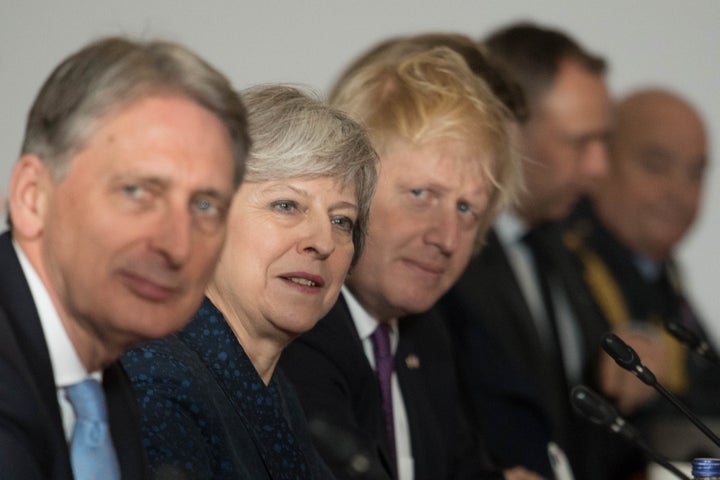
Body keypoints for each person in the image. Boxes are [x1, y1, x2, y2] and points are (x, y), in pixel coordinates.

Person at [0, 36, 248, 480]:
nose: (177, 246)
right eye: (137, 192)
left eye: (205, 206)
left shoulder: (106, 384)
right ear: (32, 198)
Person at [281, 46, 524, 480]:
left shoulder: (424, 335)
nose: (446, 238)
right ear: (351, 189)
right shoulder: (300, 327)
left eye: (467, 209)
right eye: (421, 195)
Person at [122, 84, 378, 479]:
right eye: (287, 205)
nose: (323, 241)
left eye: (341, 220)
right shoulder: (154, 382)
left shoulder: (275, 389)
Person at [438, 22, 614, 479]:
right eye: (580, 143)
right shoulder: (444, 255)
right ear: (508, 129)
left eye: (604, 142)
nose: (600, 167)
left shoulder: (568, 242)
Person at [563, 88, 718, 460]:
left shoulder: (661, 272)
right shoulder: (561, 259)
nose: (678, 192)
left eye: (695, 173)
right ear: (602, 161)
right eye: (656, 164)